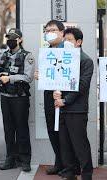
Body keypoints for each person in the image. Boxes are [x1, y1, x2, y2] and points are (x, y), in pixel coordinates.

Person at [0, 28, 35, 172]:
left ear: (20, 40)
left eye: (13, 38)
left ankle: (25, 160)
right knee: (8, 130)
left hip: (20, 98)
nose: (10, 41)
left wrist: (10, 78)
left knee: (22, 129)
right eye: (8, 38)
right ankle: (10, 158)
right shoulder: (3, 55)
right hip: (6, 98)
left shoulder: (27, 56)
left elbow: (28, 77)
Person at [53, 28, 94, 180]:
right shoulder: (63, 58)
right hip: (62, 108)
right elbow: (58, 81)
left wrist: (65, 100)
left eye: (69, 40)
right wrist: (56, 93)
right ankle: (69, 173)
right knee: (65, 144)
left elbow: (82, 86)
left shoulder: (86, 61)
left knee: (80, 144)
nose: (66, 43)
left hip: (76, 110)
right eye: (65, 39)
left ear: (79, 42)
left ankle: (86, 174)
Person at [34, 20, 67, 176]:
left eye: (53, 30)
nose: (49, 33)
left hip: (65, 96)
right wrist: (39, 76)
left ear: (62, 32)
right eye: (46, 31)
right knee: (52, 130)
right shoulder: (46, 52)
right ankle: (59, 162)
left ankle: (67, 165)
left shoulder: (69, 50)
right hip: (49, 95)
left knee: (64, 132)